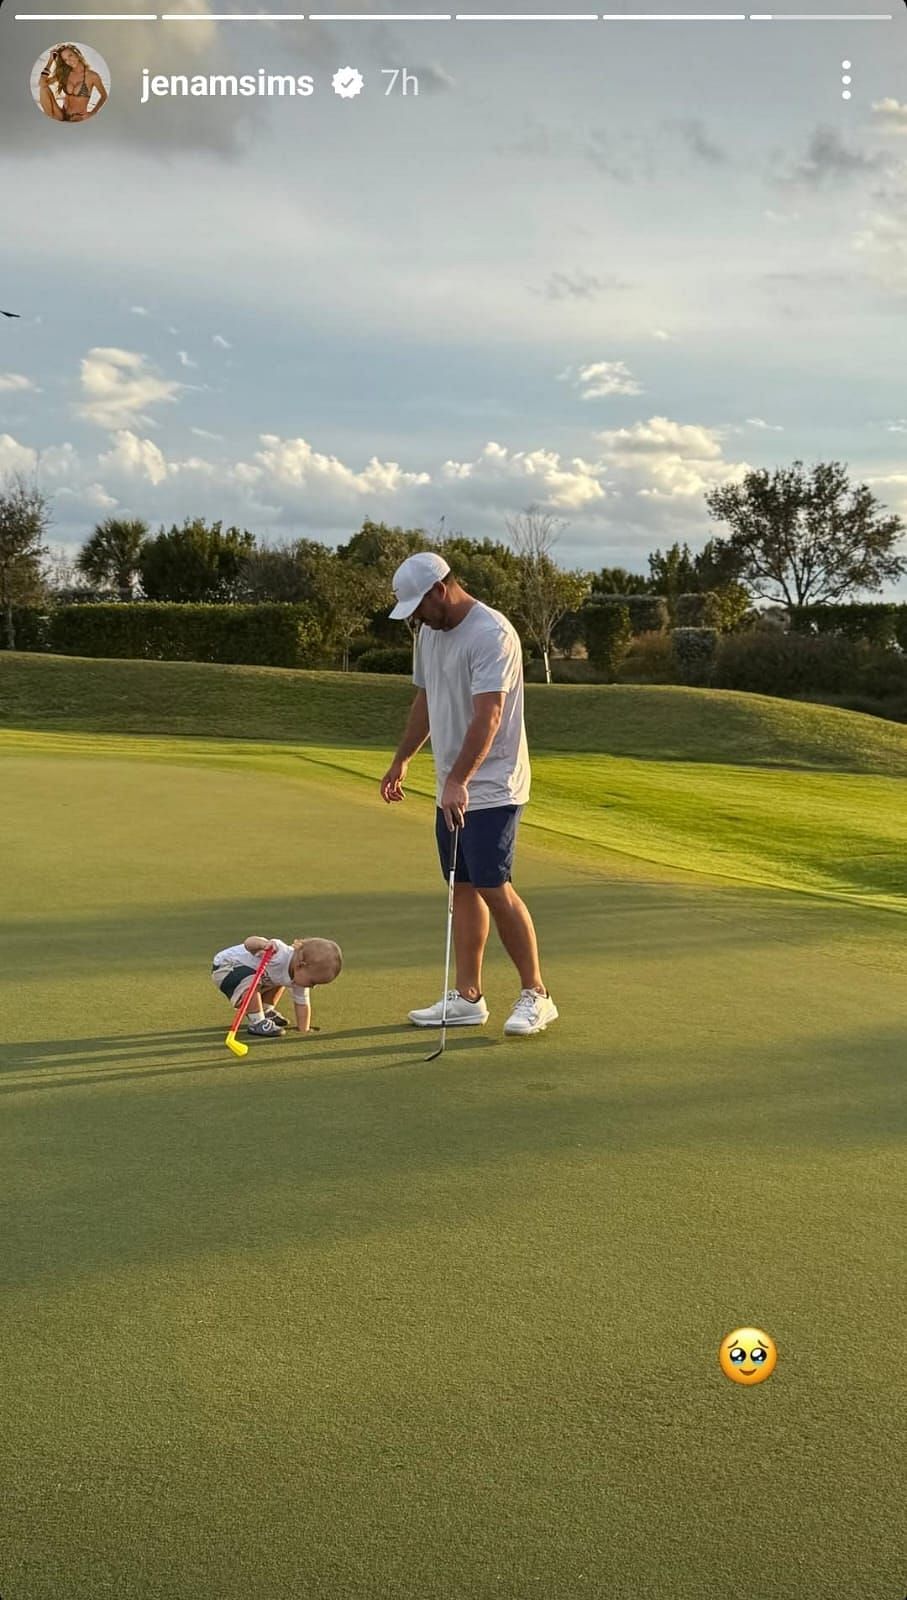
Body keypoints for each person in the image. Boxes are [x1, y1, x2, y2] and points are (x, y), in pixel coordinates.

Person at [379, 551, 558, 1038]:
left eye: (419, 606)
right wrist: (403, 758)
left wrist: (459, 779)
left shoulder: (491, 633)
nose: (416, 617)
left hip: (493, 784)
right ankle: (468, 997)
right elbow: (426, 700)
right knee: (461, 888)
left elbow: (489, 716)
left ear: (440, 590)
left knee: (493, 886)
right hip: (451, 785)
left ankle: (536, 995)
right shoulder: (428, 635)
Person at [211, 934, 342, 1038]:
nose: (313, 986)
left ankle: (265, 1010)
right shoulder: (279, 952)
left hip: (254, 976)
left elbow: (302, 1004)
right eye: (313, 982)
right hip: (227, 966)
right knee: (251, 981)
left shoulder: (298, 976)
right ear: (301, 966)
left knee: (281, 981)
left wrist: (304, 1030)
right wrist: (263, 944)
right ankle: (257, 1022)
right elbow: (248, 942)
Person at [38, 45, 108, 123]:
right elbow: (42, 83)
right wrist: (50, 61)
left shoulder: (92, 76)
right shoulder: (65, 74)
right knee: (43, 88)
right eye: (65, 60)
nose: (69, 61)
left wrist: (93, 113)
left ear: (77, 54)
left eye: (70, 55)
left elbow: (104, 96)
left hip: (78, 117)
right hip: (61, 114)